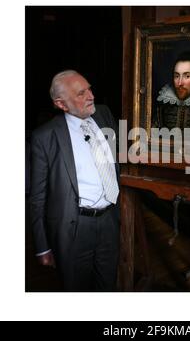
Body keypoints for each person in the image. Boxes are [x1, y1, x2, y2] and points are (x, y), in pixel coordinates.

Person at [29, 70, 120, 291]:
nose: (91, 96)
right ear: (61, 104)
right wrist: (42, 247)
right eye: (81, 93)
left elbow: (119, 157)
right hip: (75, 227)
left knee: (107, 285)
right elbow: (37, 198)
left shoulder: (104, 114)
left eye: (89, 88)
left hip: (110, 220)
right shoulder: (45, 137)